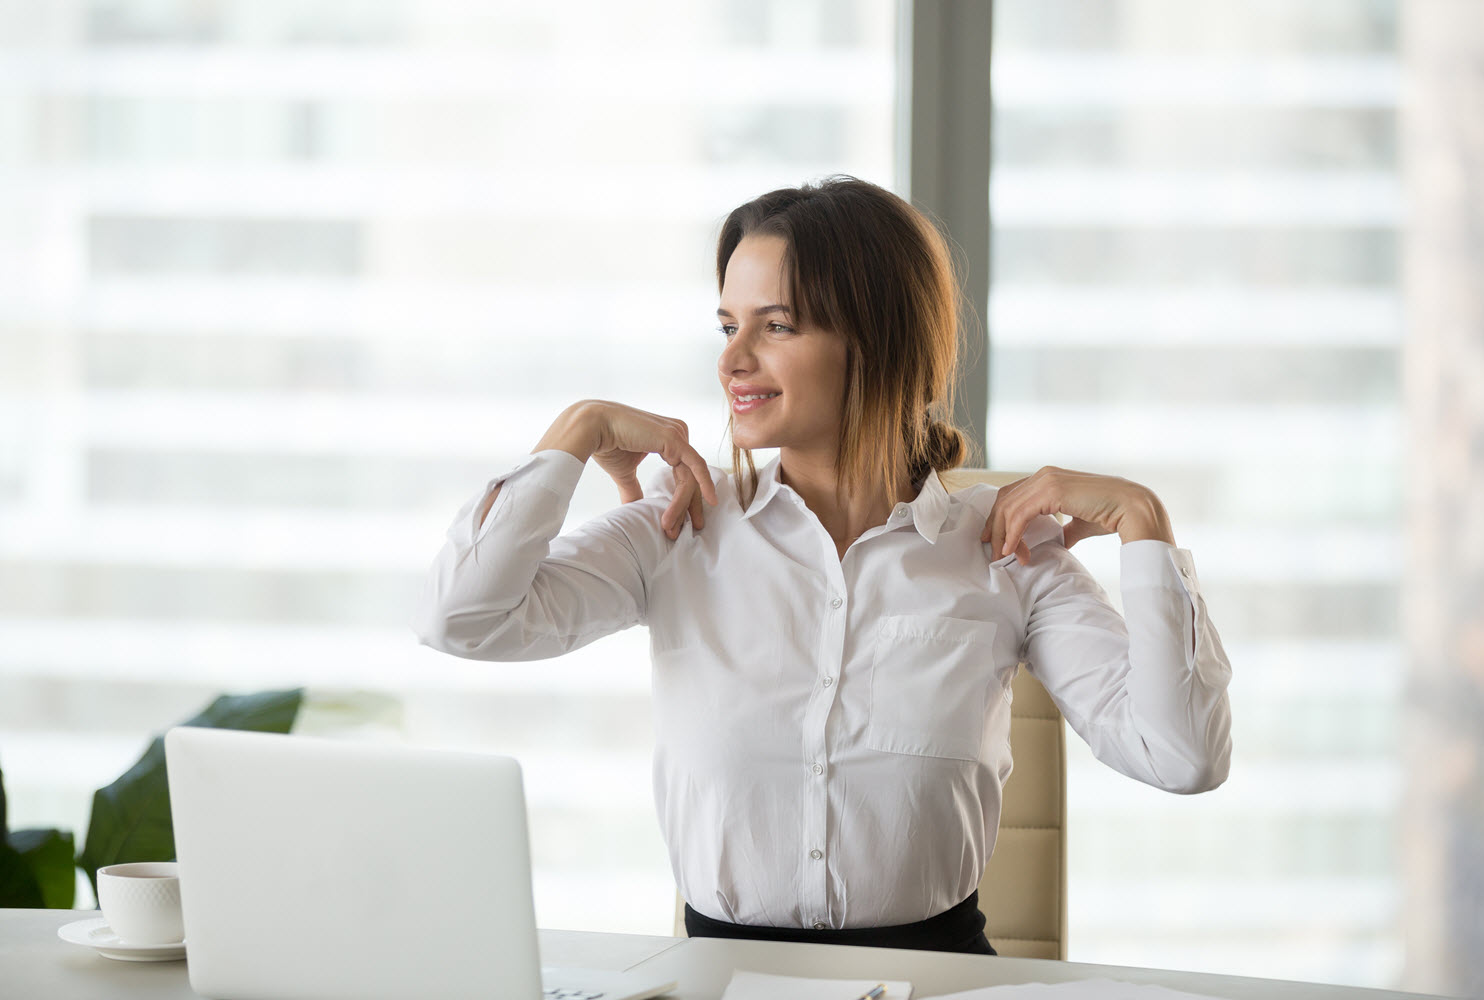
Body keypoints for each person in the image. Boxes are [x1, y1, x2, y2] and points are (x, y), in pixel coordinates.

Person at [413, 175, 1232, 956]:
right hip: (721, 984)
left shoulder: (1004, 550)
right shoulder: (681, 524)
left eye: (776, 326)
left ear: (875, 342)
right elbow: (462, 620)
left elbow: (1181, 755)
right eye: (727, 325)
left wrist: (1144, 524)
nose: (735, 359)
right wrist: (577, 429)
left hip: (934, 983)